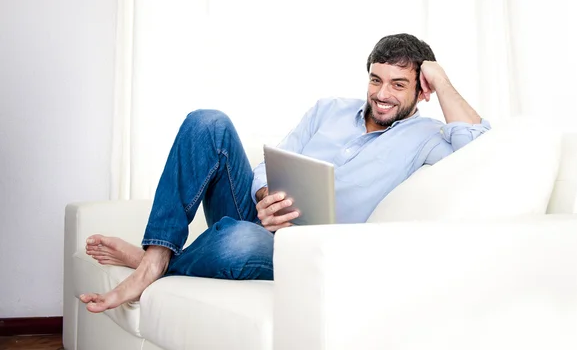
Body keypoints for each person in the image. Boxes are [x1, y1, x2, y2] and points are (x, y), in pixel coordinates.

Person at [80, 33, 491, 313]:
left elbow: (482, 152)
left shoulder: (427, 136)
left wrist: (440, 75)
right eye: (376, 79)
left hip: (302, 248)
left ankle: (155, 262)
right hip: (261, 216)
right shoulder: (327, 109)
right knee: (208, 122)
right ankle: (156, 255)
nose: (382, 94)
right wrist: (262, 195)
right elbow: (268, 162)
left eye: (398, 85)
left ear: (421, 89)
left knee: (237, 239)